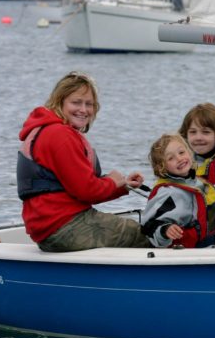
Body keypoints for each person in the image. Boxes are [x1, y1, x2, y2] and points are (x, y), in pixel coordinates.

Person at [17, 71, 149, 251]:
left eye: (89, 104)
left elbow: (76, 187)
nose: (83, 109)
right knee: (148, 233)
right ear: (59, 101)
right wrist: (112, 182)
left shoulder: (50, 131)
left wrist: (123, 185)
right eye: (76, 102)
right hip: (64, 226)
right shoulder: (60, 135)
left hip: (50, 228)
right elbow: (87, 191)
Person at [140, 133, 215, 248]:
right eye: (171, 158)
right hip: (184, 251)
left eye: (181, 152)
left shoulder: (193, 181)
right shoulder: (168, 192)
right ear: (162, 167)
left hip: (207, 242)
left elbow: (201, 197)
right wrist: (166, 230)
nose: (179, 159)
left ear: (189, 153)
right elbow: (149, 224)